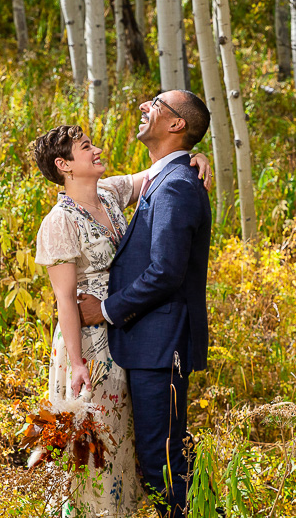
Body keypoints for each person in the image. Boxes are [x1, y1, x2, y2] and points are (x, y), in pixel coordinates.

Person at [30, 123, 211, 517]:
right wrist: (77, 363)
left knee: (128, 442)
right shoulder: (59, 222)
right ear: (64, 165)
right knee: (97, 448)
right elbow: (65, 301)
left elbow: (162, 169)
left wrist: (197, 157)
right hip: (90, 343)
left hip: (127, 332)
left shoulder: (110, 194)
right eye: (85, 147)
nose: (96, 150)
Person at [78, 90, 214, 518]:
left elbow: (165, 273)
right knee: (164, 460)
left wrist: (105, 309)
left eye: (156, 103)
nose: (143, 106)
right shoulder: (164, 178)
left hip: (161, 345)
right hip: (148, 344)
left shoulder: (175, 186)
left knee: (165, 465)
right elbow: (88, 187)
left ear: (176, 124)